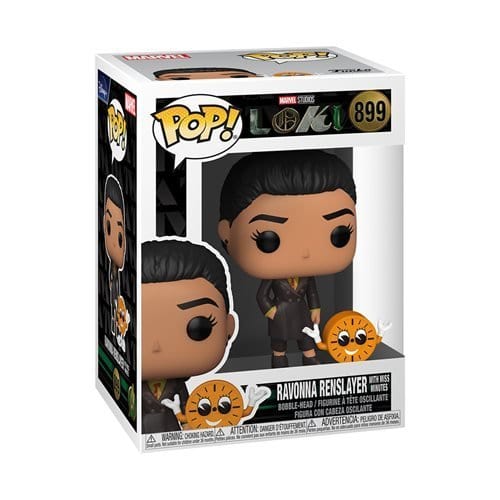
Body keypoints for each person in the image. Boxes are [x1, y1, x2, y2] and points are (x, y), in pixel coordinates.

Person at [218, 150, 357, 368]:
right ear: (227, 234)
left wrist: (315, 308)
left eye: (339, 234)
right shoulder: (273, 277)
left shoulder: (307, 276)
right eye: (268, 239)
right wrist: (271, 310)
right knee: (279, 343)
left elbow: (312, 291)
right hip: (281, 313)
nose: (305, 253)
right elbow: (262, 294)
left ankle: (310, 360)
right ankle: (279, 362)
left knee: (306, 339)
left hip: (301, 312)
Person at [141, 239, 237, 434]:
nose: (156, 346)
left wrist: (188, 426)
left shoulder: (177, 385)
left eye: (198, 328)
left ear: (228, 327)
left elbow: (187, 407)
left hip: (171, 429)